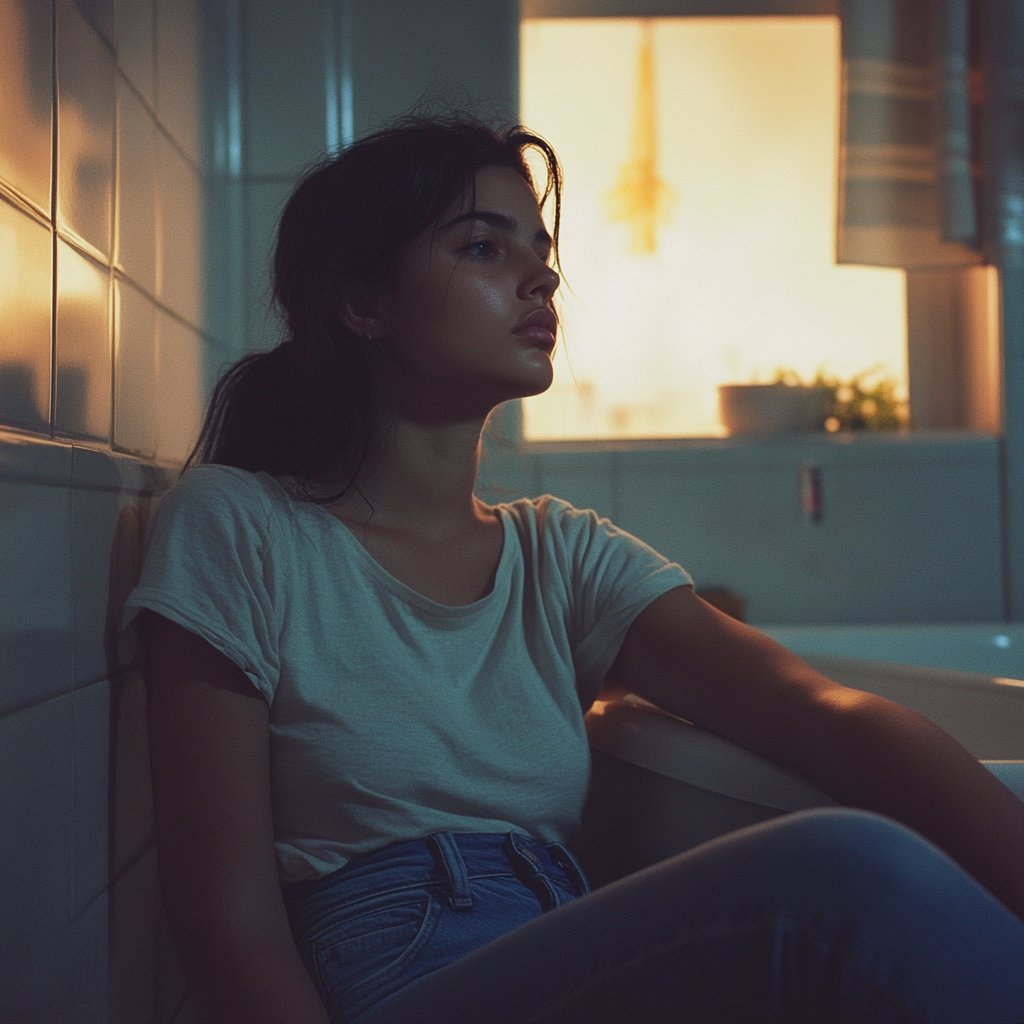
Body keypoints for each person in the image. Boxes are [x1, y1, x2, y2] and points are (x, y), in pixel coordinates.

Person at [126, 115, 1024, 1024]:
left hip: (552, 946)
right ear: (364, 305)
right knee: (838, 877)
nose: (542, 275)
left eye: (541, 249)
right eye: (482, 245)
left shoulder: (559, 555)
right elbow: (224, 918)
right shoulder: (240, 527)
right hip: (396, 983)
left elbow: (828, 720)